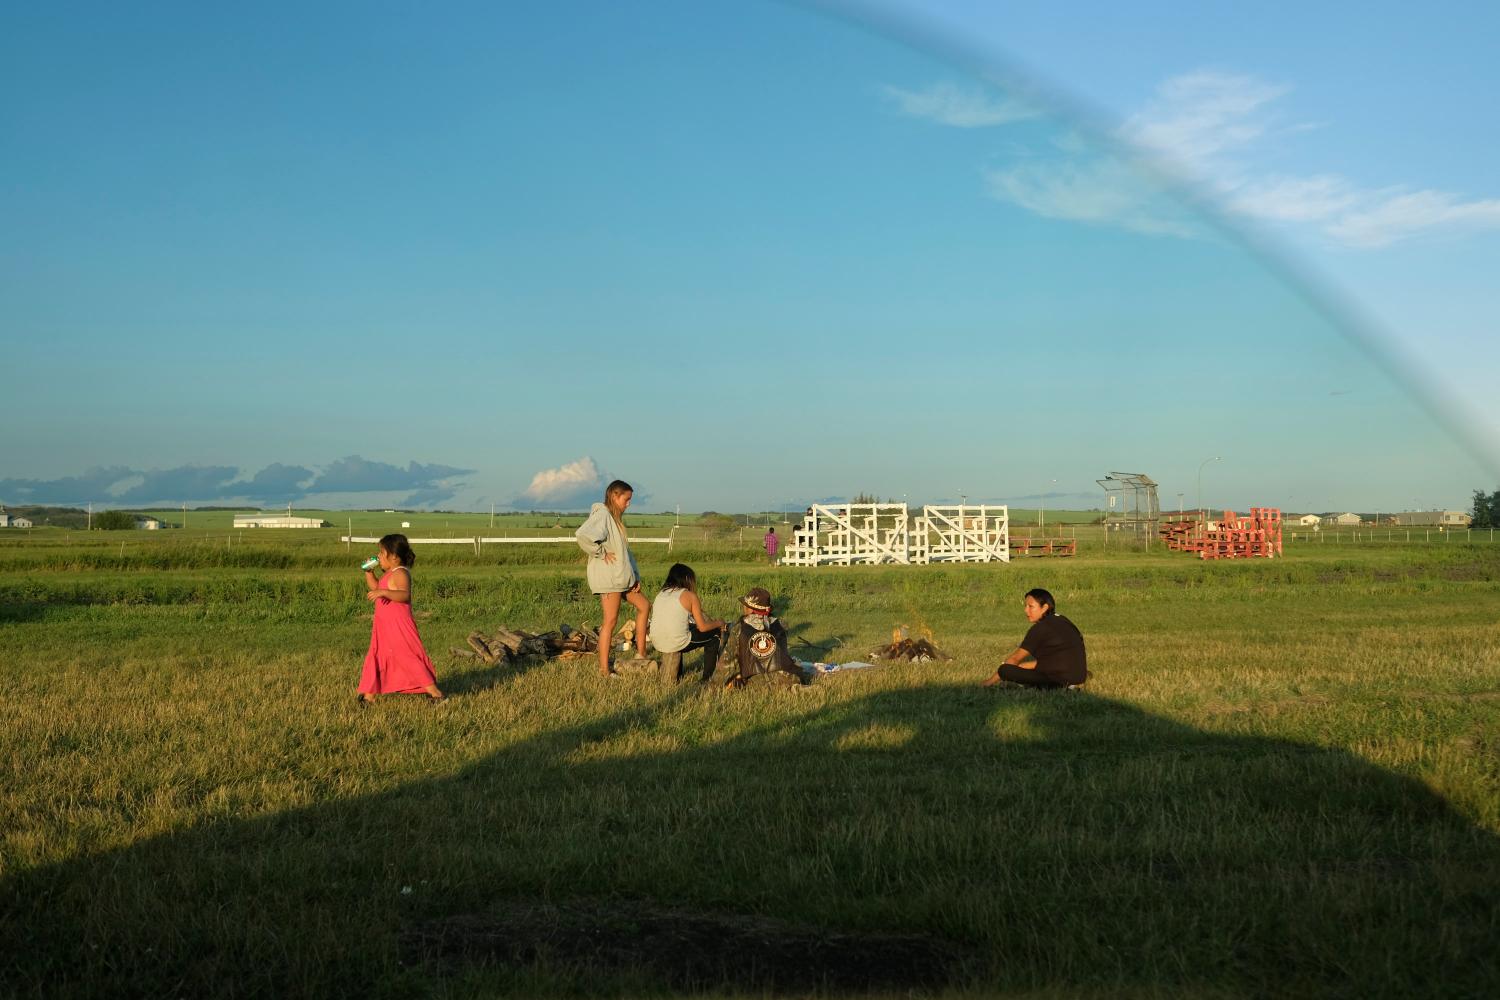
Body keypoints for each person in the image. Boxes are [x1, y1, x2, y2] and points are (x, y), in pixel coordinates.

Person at [357, 533, 446, 704]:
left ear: (395, 557)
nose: (379, 557)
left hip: (398, 626)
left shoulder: (400, 573)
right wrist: (369, 573)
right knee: (379, 655)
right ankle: (369, 695)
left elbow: (404, 595)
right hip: (384, 626)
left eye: (382, 553)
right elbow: (376, 587)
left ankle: (436, 694)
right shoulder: (389, 573)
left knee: (406, 657)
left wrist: (383, 592)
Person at [576, 479, 648, 677]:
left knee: (644, 606)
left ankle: (641, 655)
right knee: (610, 621)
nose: (629, 503)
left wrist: (635, 576)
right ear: (615, 496)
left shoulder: (615, 520)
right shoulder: (603, 515)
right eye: (626, 499)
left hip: (622, 578)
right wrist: (600, 553)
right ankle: (604, 670)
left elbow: (626, 553)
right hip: (609, 579)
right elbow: (582, 535)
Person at [983, 588, 1087, 690]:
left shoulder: (1040, 628)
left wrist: (989, 682)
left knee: (1005, 669)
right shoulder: (1063, 620)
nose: (1026, 610)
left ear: (1045, 607)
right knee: (1023, 667)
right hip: (1079, 677)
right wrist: (1022, 666)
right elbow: (1053, 660)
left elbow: (1014, 658)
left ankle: (1052, 687)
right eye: (1025, 606)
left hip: (1058, 680)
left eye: (1031, 606)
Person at [650, 563, 725, 684]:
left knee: (681, 628)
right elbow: (703, 627)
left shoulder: (661, 593)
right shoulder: (689, 595)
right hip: (676, 640)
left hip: (657, 640)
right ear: (686, 579)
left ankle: (678, 672)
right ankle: (708, 678)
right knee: (714, 634)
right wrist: (719, 623)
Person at [719, 587, 804, 688]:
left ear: (750, 609)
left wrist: (713, 686)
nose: (743, 607)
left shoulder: (739, 629)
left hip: (762, 681)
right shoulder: (782, 625)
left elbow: (726, 664)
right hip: (790, 677)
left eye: (745, 605)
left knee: (737, 682)